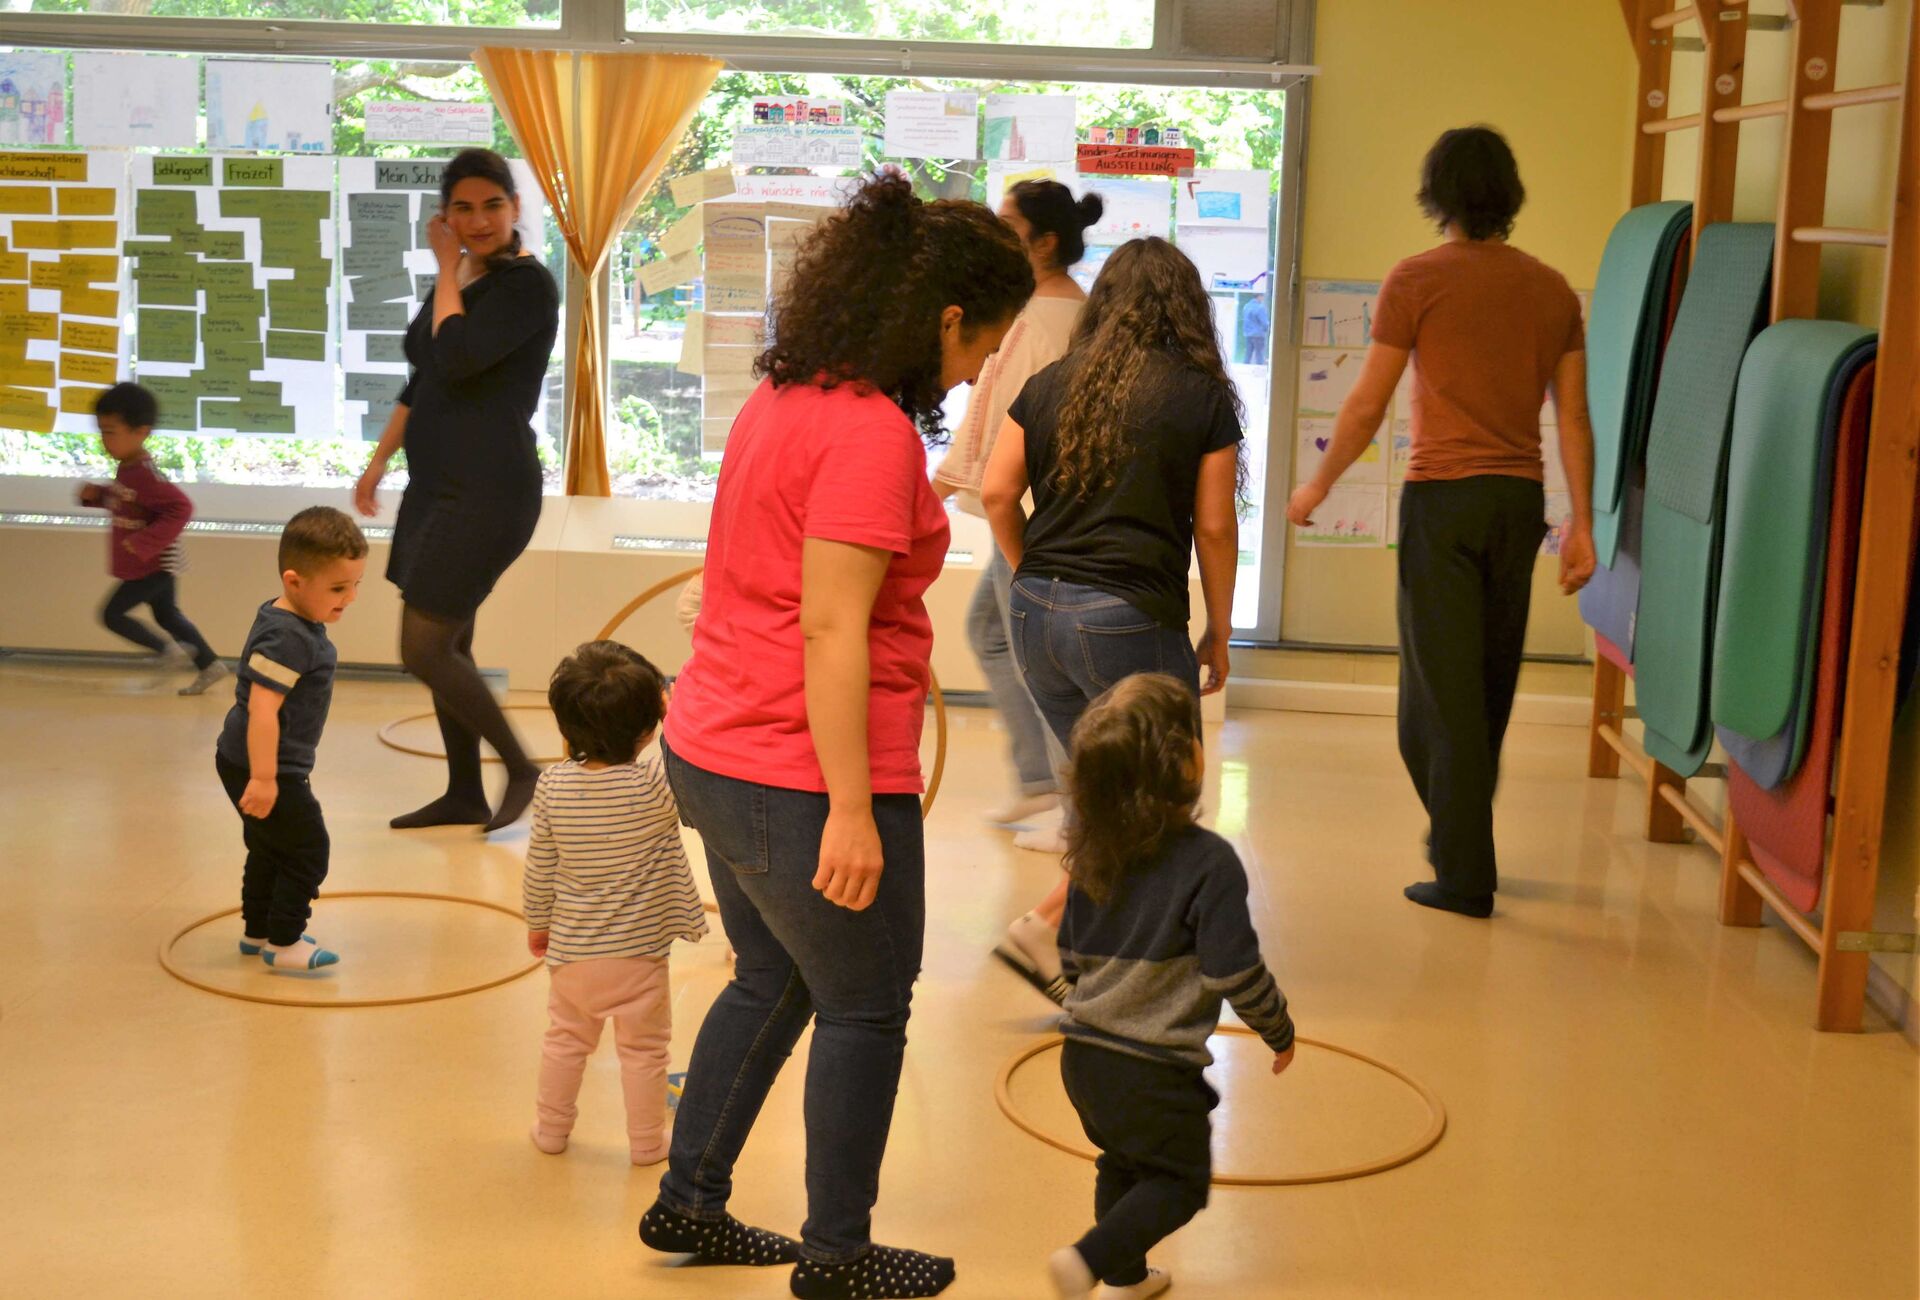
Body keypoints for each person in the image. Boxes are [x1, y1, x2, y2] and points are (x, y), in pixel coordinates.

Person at [636, 172, 1033, 1300]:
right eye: (985, 349)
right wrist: (854, 806)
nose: (977, 374)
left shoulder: (783, 397)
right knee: (865, 1000)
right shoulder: (869, 436)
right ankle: (837, 1253)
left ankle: (689, 1200)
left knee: (769, 975)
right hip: (795, 769)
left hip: (712, 742)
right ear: (946, 319)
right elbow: (830, 626)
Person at [1286, 125, 1597, 918]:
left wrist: (1317, 484)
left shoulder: (1417, 280)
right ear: (1509, 197)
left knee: (1436, 699)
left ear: (1438, 196)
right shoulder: (1554, 289)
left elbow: (1365, 403)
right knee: (1484, 687)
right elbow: (1573, 423)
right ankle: (1462, 838)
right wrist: (1583, 525)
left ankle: (1463, 872)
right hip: (1516, 505)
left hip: (1444, 502)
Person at [980, 236, 1244, 1004]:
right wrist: (1218, 630)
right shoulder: (1200, 395)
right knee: (1156, 793)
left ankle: (1103, 948)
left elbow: (999, 493)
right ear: (1188, 312)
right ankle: (1050, 929)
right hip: (1126, 621)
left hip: (1038, 620)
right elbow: (1216, 527)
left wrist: (1030, 570)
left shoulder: (1054, 382)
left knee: (1105, 796)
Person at [1045, 674, 1296, 1300]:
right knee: (1180, 1181)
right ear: (1184, 763)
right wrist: (1278, 1028)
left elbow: (1070, 958)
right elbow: (1233, 971)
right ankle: (1090, 1258)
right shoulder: (1209, 862)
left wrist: (1080, 1003)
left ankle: (1125, 1278)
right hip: (1151, 1070)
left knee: (1123, 1163)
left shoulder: (1093, 852)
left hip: (1083, 1059)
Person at [354, 147, 560, 834]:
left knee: (424, 646)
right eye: (463, 209)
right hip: (435, 484)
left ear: (515, 209)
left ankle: (521, 769)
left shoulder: (527, 286)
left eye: (492, 205)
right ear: (445, 215)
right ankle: (465, 791)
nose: (479, 220)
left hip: (489, 488)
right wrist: (379, 460)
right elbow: (427, 373)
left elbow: (463, 355)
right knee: (451, 645)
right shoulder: (463, 277)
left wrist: (447, 270)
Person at [933, 179, 1103, 848]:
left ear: (1046, 239)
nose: (1000, 231)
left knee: (1038, 655)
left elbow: (1000, 413)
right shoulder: (1073, 311)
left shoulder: (1037, 320)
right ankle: (1042, 778)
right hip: (1043, 506)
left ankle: (1075, 806)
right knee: (992, 631)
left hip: (1031, 510)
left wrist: (946, 485)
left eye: (1010, 223)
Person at [525, 640, 707, 1166]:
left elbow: (540, 868)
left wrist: (539, 924)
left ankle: (552, 1131)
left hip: (573, 954)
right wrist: (672, 711)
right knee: (645, 1054)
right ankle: (648, 1144)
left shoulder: (553, 785)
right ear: (648, 727)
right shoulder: (655, 784)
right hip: (639, 959)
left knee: (563, 1043)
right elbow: (678, 746)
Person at [214, 507, 368, 973]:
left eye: (356, 585)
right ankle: (283, 943)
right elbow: (263, 709)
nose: (351, 598)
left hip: (244, 757)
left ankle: (257, 929)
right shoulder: (288, 638)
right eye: (338, 589)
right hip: (265, 764)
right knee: (306, 849)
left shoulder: (286, 617)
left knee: (268, 847)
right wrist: (265, 777)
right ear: (295, 581)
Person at [78, 382, 229, 696]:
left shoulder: (146, 474)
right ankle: (210, 664)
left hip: (154, 563)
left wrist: (146, 542)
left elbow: (181, 507)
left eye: (110, 432)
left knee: (111, 614)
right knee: (167, 614)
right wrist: (99, 495)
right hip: (151, 562)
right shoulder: (127, 470)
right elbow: (130, 502)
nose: (104, 440)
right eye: (102, 431)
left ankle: (168, 651)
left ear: (141, 432)